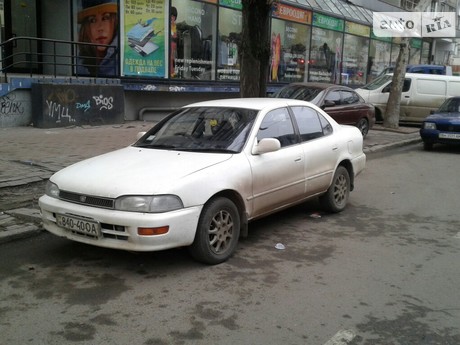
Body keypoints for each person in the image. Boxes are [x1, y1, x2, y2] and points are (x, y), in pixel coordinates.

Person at [77, 0, 118, 76]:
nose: (100, 28)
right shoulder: (78, 64)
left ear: (115, 21)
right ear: (85, 27)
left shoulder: (124, 59)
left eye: (105, 18)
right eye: (92, 20)